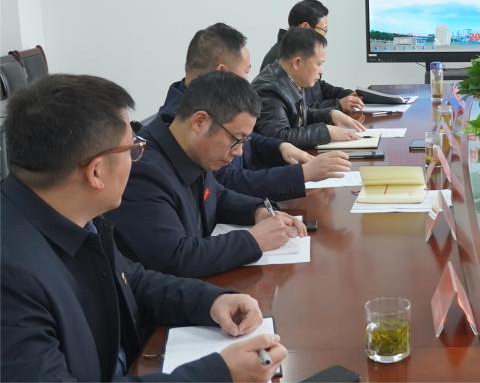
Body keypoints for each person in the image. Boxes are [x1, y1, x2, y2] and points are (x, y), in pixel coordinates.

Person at [1, 74, 286, 381]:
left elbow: (132, 281)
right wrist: (219, 374)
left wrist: (212, 301)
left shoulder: (74, 215)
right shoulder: (11, 276)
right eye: (131, 148)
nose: (138, 157)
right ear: (96, 172)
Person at [109, 71, 307, 278]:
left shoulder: (190, 149)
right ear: (200, 122)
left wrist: (257, 210)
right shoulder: (143, 172)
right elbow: (175, 258)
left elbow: (216, 196)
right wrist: (253, 241)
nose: (239, 152)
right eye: (236, 140)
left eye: (244, 142)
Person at [158, 23, 351, 199]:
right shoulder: (183, 122)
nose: (248, 82)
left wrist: (280, 147)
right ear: (222, 73)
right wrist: (301, 174)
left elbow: (247, 140)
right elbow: (225, 183)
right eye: (246, 71)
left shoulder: (205, 103)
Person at [252, 26, 365, 148]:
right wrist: (326, 132)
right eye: (319, 64)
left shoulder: (290, 78)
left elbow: (298, 115)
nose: (322, 71)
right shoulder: (270, 91)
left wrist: (330, 114)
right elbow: (279, 138)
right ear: (297, 63)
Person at [260, 0, 364, 114]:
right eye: (324, 30)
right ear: (305, 27)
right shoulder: (282, 58)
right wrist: (337, 105)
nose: (325, 36)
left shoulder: (300, 51)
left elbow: (317, 88)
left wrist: (347, 95)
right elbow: (301, 110)